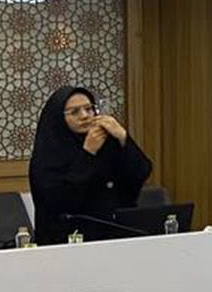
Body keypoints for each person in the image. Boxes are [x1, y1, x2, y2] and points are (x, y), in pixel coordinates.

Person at [28, 87, 153, 244]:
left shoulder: (105, 142)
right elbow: (60, 200)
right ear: (59, 118)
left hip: (115, 233)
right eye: (75, 112)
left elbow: (141, 172)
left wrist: (123, 138)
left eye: (89, 109)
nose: (85, 116)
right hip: (66, 239)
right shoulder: (49, 153)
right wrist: (88, 153)